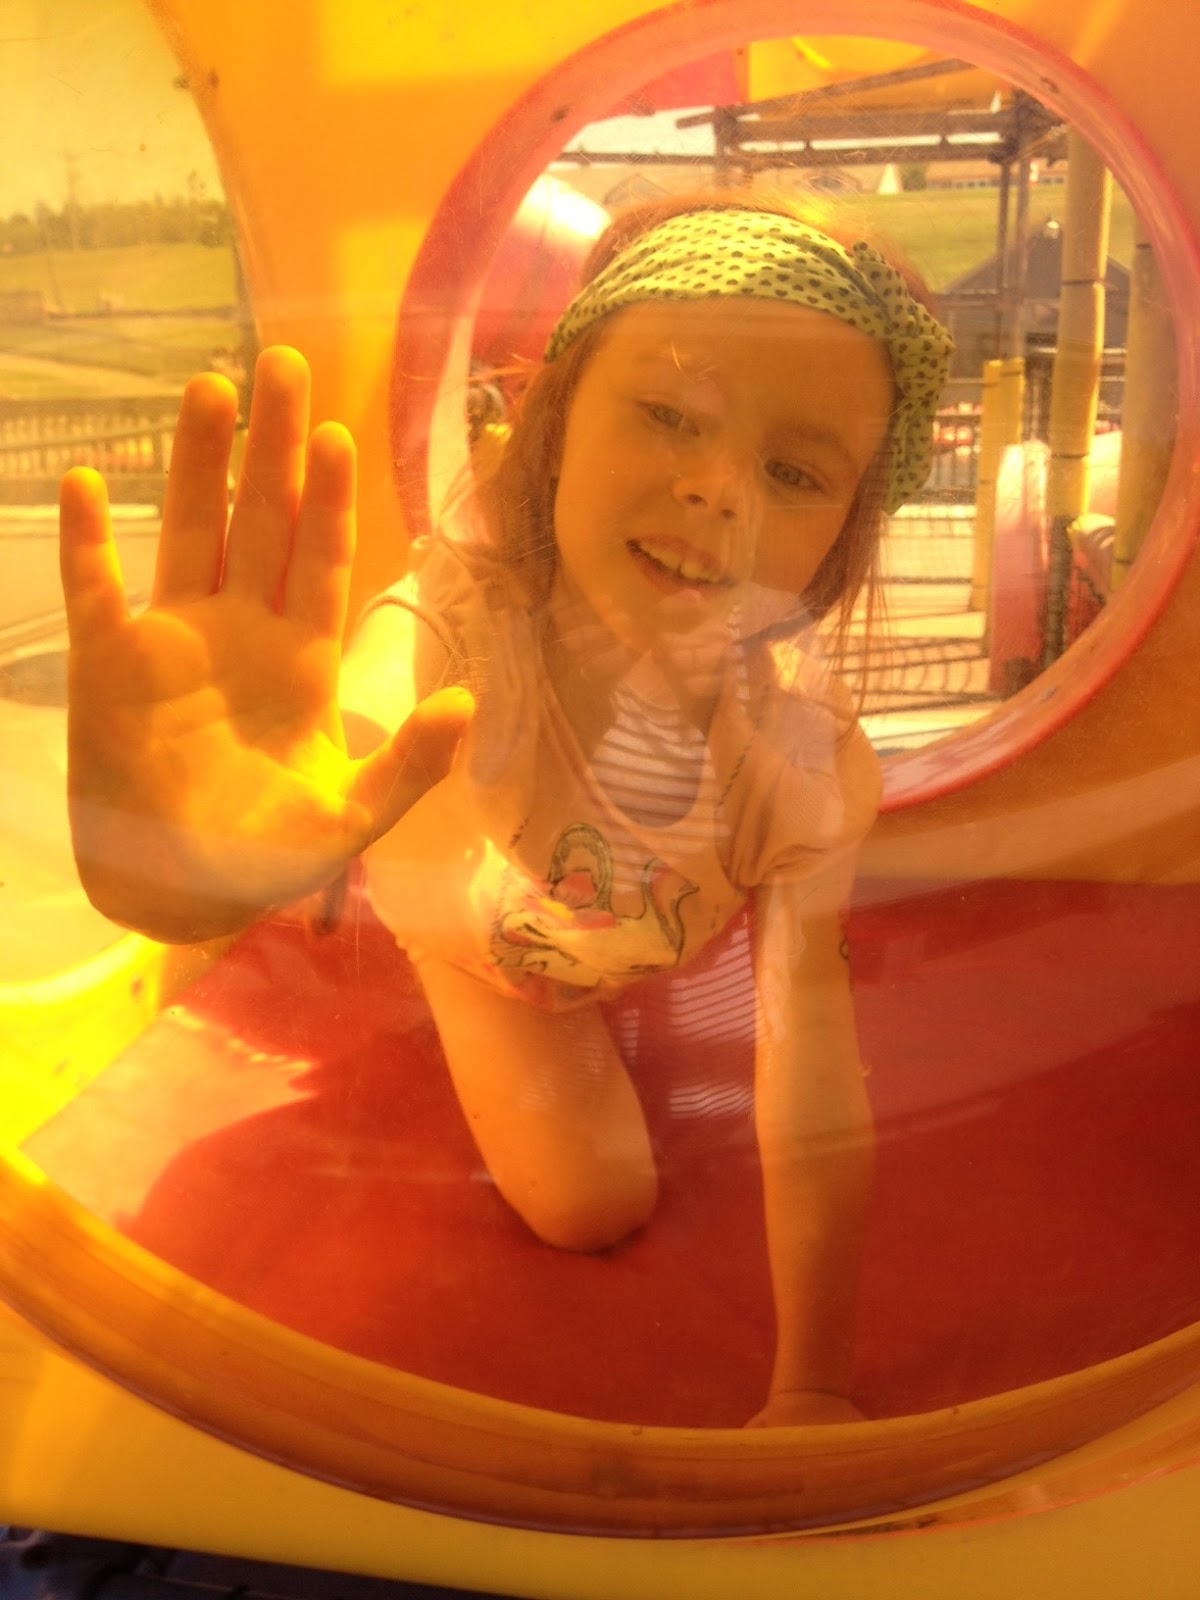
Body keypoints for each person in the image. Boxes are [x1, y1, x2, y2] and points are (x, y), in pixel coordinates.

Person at [59, 193, 951, 1427]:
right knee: (591, 1201)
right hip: (477, 941)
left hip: (591, 934)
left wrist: (813, 1382)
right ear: (554, 416)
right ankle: (426, 964)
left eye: (793, 472)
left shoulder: (798, 749)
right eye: (668, 413)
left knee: (600, 1186)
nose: (717, 488)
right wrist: (179, 870)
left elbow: (811, 1060)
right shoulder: (453, 631)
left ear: (843, 536)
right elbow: (324, 757)